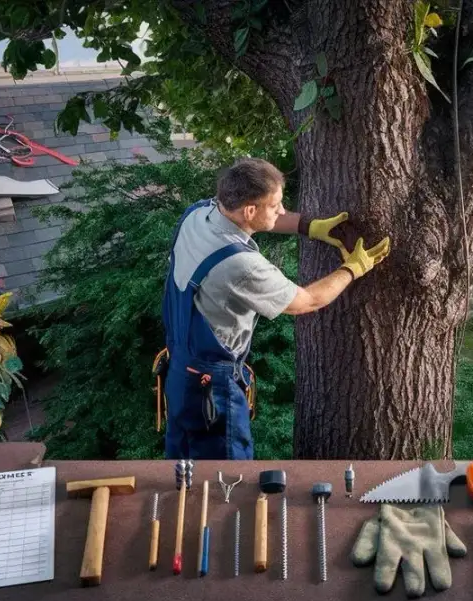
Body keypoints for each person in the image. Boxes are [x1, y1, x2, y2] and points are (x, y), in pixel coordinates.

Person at [161, 157, 390, 460]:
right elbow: (306, 301)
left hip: (179, 372)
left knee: (180, 468)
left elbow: (260, 216)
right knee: (228, 479)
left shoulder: (199, 214)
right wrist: (353, 268)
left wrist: (310, 226)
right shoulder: (240, 265)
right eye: (276, 205)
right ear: (250, 210)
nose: (282, 210)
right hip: (211, 390)